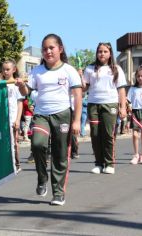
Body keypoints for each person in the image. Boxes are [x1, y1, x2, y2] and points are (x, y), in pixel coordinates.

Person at [17, 33, 82, 206]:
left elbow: (77, 96)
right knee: (38, 144)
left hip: (63, 115)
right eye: (45, 49)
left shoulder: (69, 71)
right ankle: (41, 177)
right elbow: (26, 92)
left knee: (60, 155)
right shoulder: (36, 71)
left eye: (51, 48)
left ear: (60, 49)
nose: (48, 51)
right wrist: (22, 86)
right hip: (42, 115)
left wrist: (76, 121)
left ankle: (58, 192)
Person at [83, 42, 127, 174]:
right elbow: (85, 88)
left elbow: (121, 89)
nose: (102, 54)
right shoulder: (90, 68)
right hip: (93, 104)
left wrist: (123, 107)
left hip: (110, 104)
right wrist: (81, 80)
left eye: (105, 51)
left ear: (110, 54)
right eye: (100, 51)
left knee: (108, 134)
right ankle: (98, 163)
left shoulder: (116, 69)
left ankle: (109, 163)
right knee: (95, 134)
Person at [1, 59, 24, 173]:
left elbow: (20, 104)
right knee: (4, 143)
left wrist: (18, 119)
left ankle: (17, 164)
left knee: (14, 143)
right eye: (4, 69)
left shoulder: (16, 85)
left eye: (8, 69)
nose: (5, 72)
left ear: (14, 70)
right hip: (2, 119)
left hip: (13, 118)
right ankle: (7, 164)